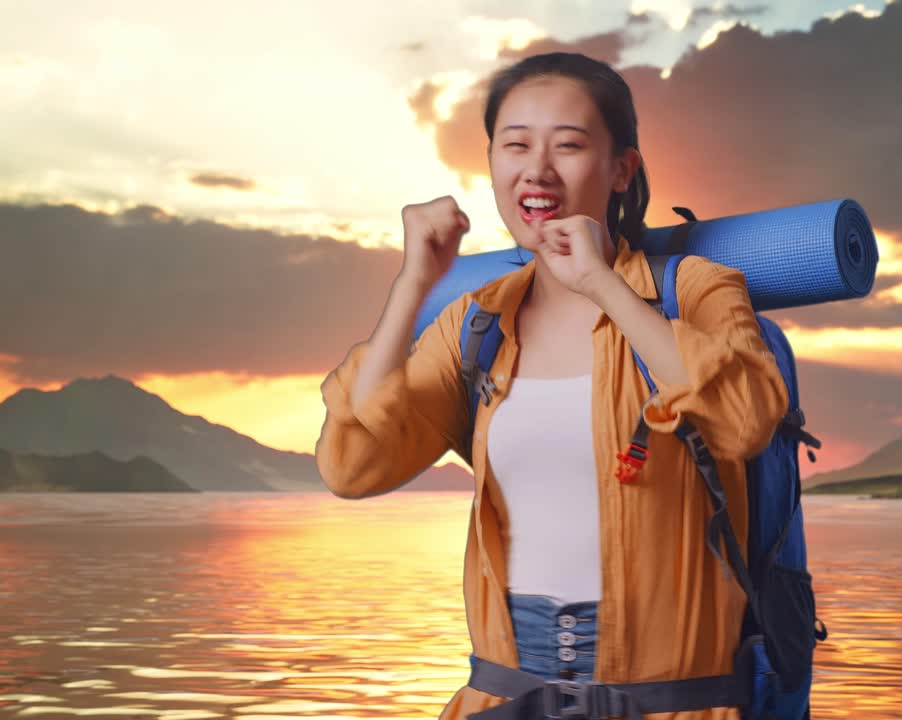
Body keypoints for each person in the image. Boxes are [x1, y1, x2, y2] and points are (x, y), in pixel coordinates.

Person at [315, 51, 789, 720]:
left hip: (671, 700)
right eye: (515, 145)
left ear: (621, 167)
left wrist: (603, 284)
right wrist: (412, 284)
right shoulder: (476, 323)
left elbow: (745, 419)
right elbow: (353, 466)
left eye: (567, 145)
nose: (537, 168)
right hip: (503, 696)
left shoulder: (696, 291)